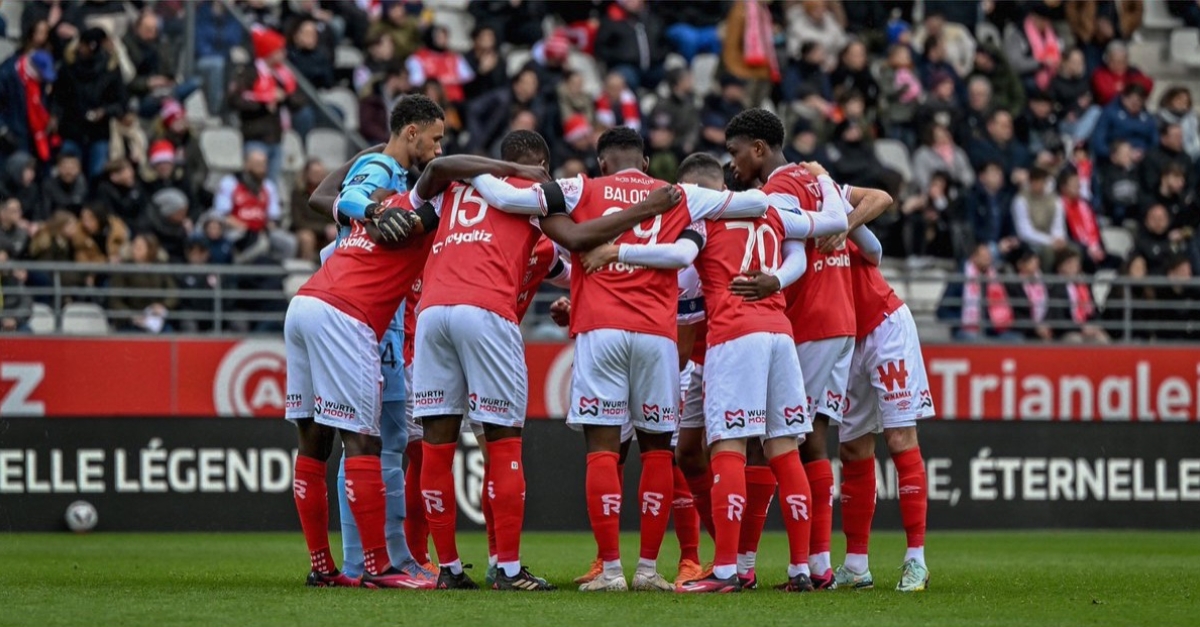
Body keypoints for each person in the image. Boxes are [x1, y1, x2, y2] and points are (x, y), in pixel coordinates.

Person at [468, 127, 787, 592]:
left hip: (600, 330)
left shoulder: (580, 188)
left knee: (603, 448)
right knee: (658, 449)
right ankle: (648, 571)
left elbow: (508, 197)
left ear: (601, 162)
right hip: (657, 336)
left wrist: (466, 169)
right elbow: (757, 205)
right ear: (646, 160)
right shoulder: (678, 193)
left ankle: (611, 569)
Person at [414, 131, 683, 591]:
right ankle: (510, 569)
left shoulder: (453, 189)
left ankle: (449, 568)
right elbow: (577, 240)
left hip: (431, 311)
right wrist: (645, 210)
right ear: (539, 163)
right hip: (486, 310)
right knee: (501, 441)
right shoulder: (532, 198)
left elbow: (429, 187)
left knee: (437, 442)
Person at [579, 151, 852, 593]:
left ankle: (726, 570)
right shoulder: (773, 208)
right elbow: (834, 223)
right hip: (779, 334)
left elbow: (678, 254)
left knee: (727, 446)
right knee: (784, 447)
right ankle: (804, 570)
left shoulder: (702, 219)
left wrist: (618, 250)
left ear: (695, 189)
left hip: (733, 336)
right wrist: (822, 178)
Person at [719, 107, 891, 589]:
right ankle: (814, 563)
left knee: (775, 438)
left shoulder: (776, 190)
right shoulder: (819, 180)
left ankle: (764, 565)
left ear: (759, 148)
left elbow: (783, 235)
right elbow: (873, 249)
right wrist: (842, 223)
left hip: (811, 320)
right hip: (840, 318)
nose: (732, 166)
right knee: (809, 434)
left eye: (735, 154)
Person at [301, 95, 447, 587]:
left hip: (325, 300)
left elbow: (325, 197)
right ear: (411, 133)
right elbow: (344, 196)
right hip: (359, 318)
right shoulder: (383, 170)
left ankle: (344, 565)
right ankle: (372, 563)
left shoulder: (392, 176)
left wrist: (365, 195)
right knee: (366, 440)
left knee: (329, 440)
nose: (439, 146)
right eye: (435, 136)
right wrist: (370, 202)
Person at [828, 212, 935, 592]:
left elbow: (874, 249)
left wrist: (844, 219)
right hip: (844, 339)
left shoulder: (831, 212)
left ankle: (916, 560)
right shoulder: (790, 231)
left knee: (900, 438)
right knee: (852, 447)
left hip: (885, 326)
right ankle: (857, 565)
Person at [228, 26, 307, 184]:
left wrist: (283, 98)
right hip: (255, 136)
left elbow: (299, 100)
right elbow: (235, 100)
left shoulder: (283, 76)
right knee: (253, 182)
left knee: (271, 186)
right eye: (279, 50)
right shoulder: (249, 73)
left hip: (276, 138)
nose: (283, 54)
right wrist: (264, 101)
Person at [54, 27, 127, 177]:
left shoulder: (110, 69)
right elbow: (58, 97)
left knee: (97, 173)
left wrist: (105, 111)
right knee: (69, 172)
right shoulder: (69, 67)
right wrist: (55, 116)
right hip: (71, 129)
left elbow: (120, 103)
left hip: (98, 132)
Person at [938, 243, 1016, 341]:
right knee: (977, 341)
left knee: (1014, 339)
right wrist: (961, 321)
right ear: (974, 257)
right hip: (965, 329)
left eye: (989, 256)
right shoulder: (960, 279)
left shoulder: (994, 278)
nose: (988, 259)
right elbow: (942, 311)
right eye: (984, 256)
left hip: (991, 330)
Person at [109, 234, 178, 333]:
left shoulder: (161, 266)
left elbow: (172, 291)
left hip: (155, 318)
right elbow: (115, 300)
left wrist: (163, 306)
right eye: (134, 246)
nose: (135, 249)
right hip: (130, 320)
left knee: (168, 334)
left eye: (140, 247)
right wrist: (131, 316)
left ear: (150, 249)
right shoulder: (124, 268)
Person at [594, 0, 668, 91]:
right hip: (625, 66)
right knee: (628, 77)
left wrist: (659, 56)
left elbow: (664, 42)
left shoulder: (652, 20)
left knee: (672, 71)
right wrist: (620, 56)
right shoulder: (612, 21)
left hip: (653, 66)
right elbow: (601, 48)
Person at [0, 49, 57, 164]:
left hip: (33, 135)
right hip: (12, 135)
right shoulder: (7, 75)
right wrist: (3, 129)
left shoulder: (41, 83)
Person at [1046, 247, 1110, 342]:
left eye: (1076, 263)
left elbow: (1095, 311)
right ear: (1060, 266)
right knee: (1076, 340)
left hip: (1087, 328)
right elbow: (1059, 319)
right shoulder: (1055, 288)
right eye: (1070, 263)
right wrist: (1081, 328)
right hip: (1068, 332)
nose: (1074, 267)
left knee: (1102, 339)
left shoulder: (1084, 286)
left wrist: (1095, 326)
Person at [1091, 83, 1157, 163]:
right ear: (1124, 98)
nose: (1135, 104)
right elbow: (1098, 139)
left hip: (1142, 159)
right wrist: (1112, 155)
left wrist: (1145, 153)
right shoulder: (1110, 113)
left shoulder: (1148, 118)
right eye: (1132, 100)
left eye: (1139, 101)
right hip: (1114, 159)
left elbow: (1155, 141)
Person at [405, 26, 474, 104]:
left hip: (456, 101)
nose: (443, 40)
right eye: (439, 37)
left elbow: (468, 77)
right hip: (430, 102)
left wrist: (450, 80)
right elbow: (416, 81)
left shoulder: (455, 56)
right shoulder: (417, 57)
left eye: (445, 37)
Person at [1005, 247, 1053, 341]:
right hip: (1025, 331)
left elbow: (1051, 306)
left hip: (1044, 328)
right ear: (1020, 264)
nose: (1035, 263)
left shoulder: (1045, 282)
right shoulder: (1013, 286)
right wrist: (1034, 327)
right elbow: (1016, 314)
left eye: (1036, 260)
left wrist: (1046, 324)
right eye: (1031, 261)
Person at [912, 124, 975, 192]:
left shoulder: (958, 152)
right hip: (933, 193)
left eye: (946, 134)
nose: (944, 137)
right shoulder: (922, 154)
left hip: (959, 191)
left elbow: (967, 173)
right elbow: (922, 179)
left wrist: (963, 184)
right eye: (939, 136)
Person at [1090, 40, 1153, 107]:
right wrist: (1131, 90)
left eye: (1122, 61)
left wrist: (1122, 88)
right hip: (1108, 109)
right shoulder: (1100, 73)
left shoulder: (1133, 71)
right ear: (1107, 60)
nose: (1119, 65)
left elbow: (1148, 84)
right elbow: (1107, 94)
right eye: (1115, 61)